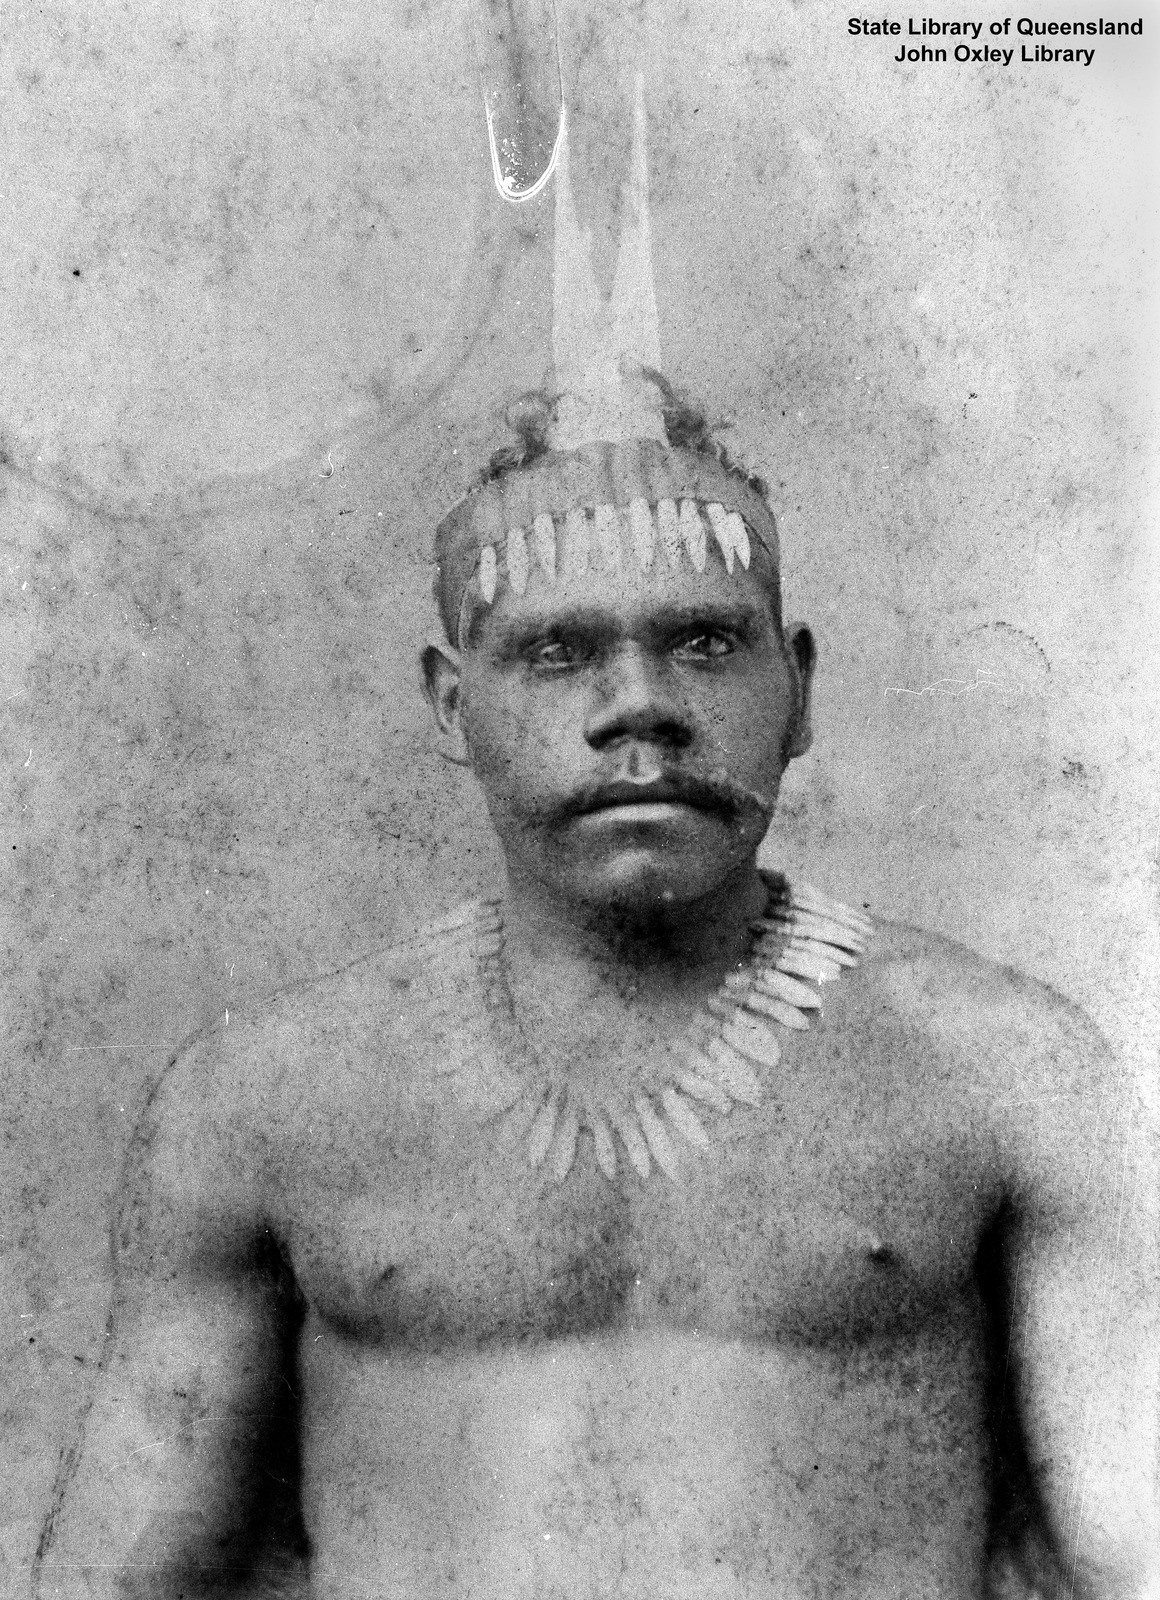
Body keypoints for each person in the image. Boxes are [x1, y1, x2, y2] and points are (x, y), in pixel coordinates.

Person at [32, 372, 1160, 1599]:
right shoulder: (260, 1099)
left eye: (703, 641)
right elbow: (117, 1576)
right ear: (453, 702)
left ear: (796, 689)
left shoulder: (1000, 1066)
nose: (640, 705)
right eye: (557, 650)